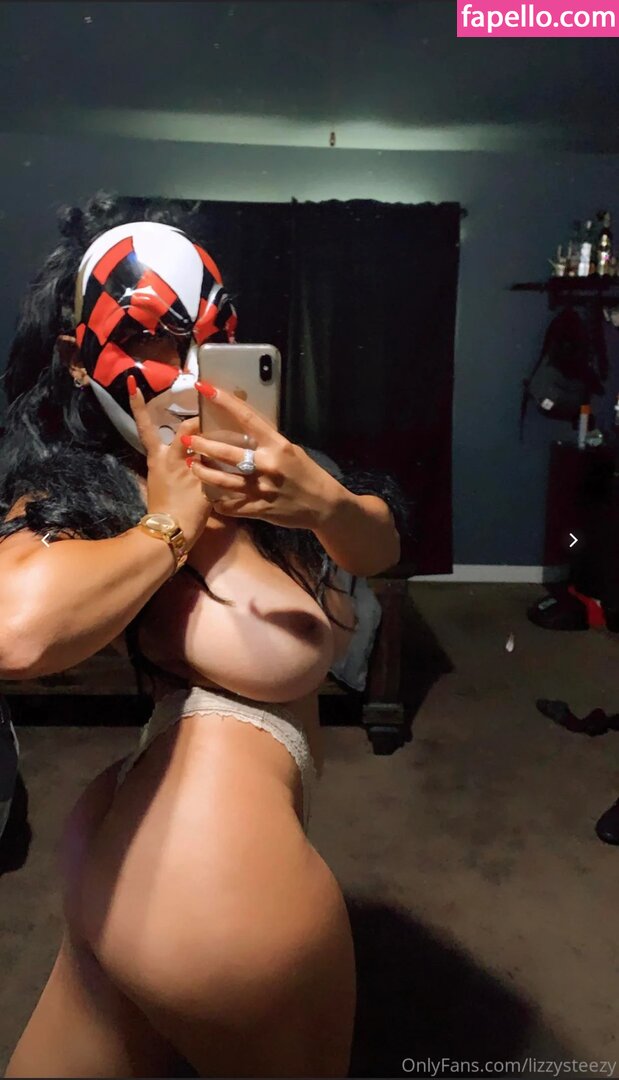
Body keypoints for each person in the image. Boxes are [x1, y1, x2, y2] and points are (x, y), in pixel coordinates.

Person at [1, 192, 407, 1079]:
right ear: (77, 359)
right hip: (204, 868)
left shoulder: (266, 464)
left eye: (210, 339)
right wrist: (170, 524)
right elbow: (17, 633)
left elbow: (381, 546)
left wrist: (324, 504)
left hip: (152, 837)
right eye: (152, 339)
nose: (187, 374)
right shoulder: (98, 487)